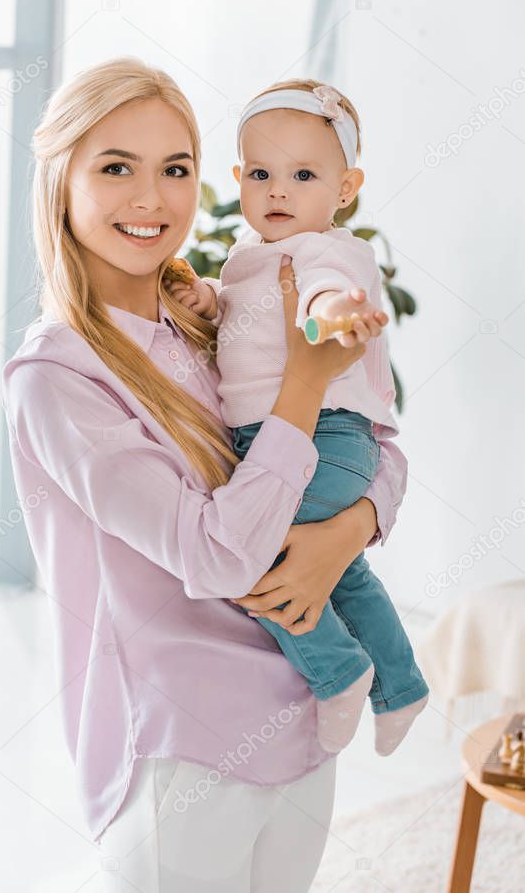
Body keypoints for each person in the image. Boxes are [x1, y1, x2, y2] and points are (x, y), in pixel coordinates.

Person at [0, 56, 407, 891]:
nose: (150, 199)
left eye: (174, 169)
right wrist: (301, 383)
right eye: (116, 167)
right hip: (186, 751)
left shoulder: (205, 318)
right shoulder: (58, 378)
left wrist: (347, 533)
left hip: (301, 712)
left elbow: (376, 440)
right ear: (61, 181)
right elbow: (217, 556)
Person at [165, 78, 429, 758]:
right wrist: (207, 296)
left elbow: (323, 297)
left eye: (302, 174)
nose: (277, 190)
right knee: (345, 574)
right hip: (297, 438)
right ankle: (400, 686)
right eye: (260, 173)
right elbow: (243, 309)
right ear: (239, 179)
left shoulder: (329, 251)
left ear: (345, 189)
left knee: (251, 548)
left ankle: (338, 672)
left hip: (324, 436)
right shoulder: (250, 256)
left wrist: (337, 317)